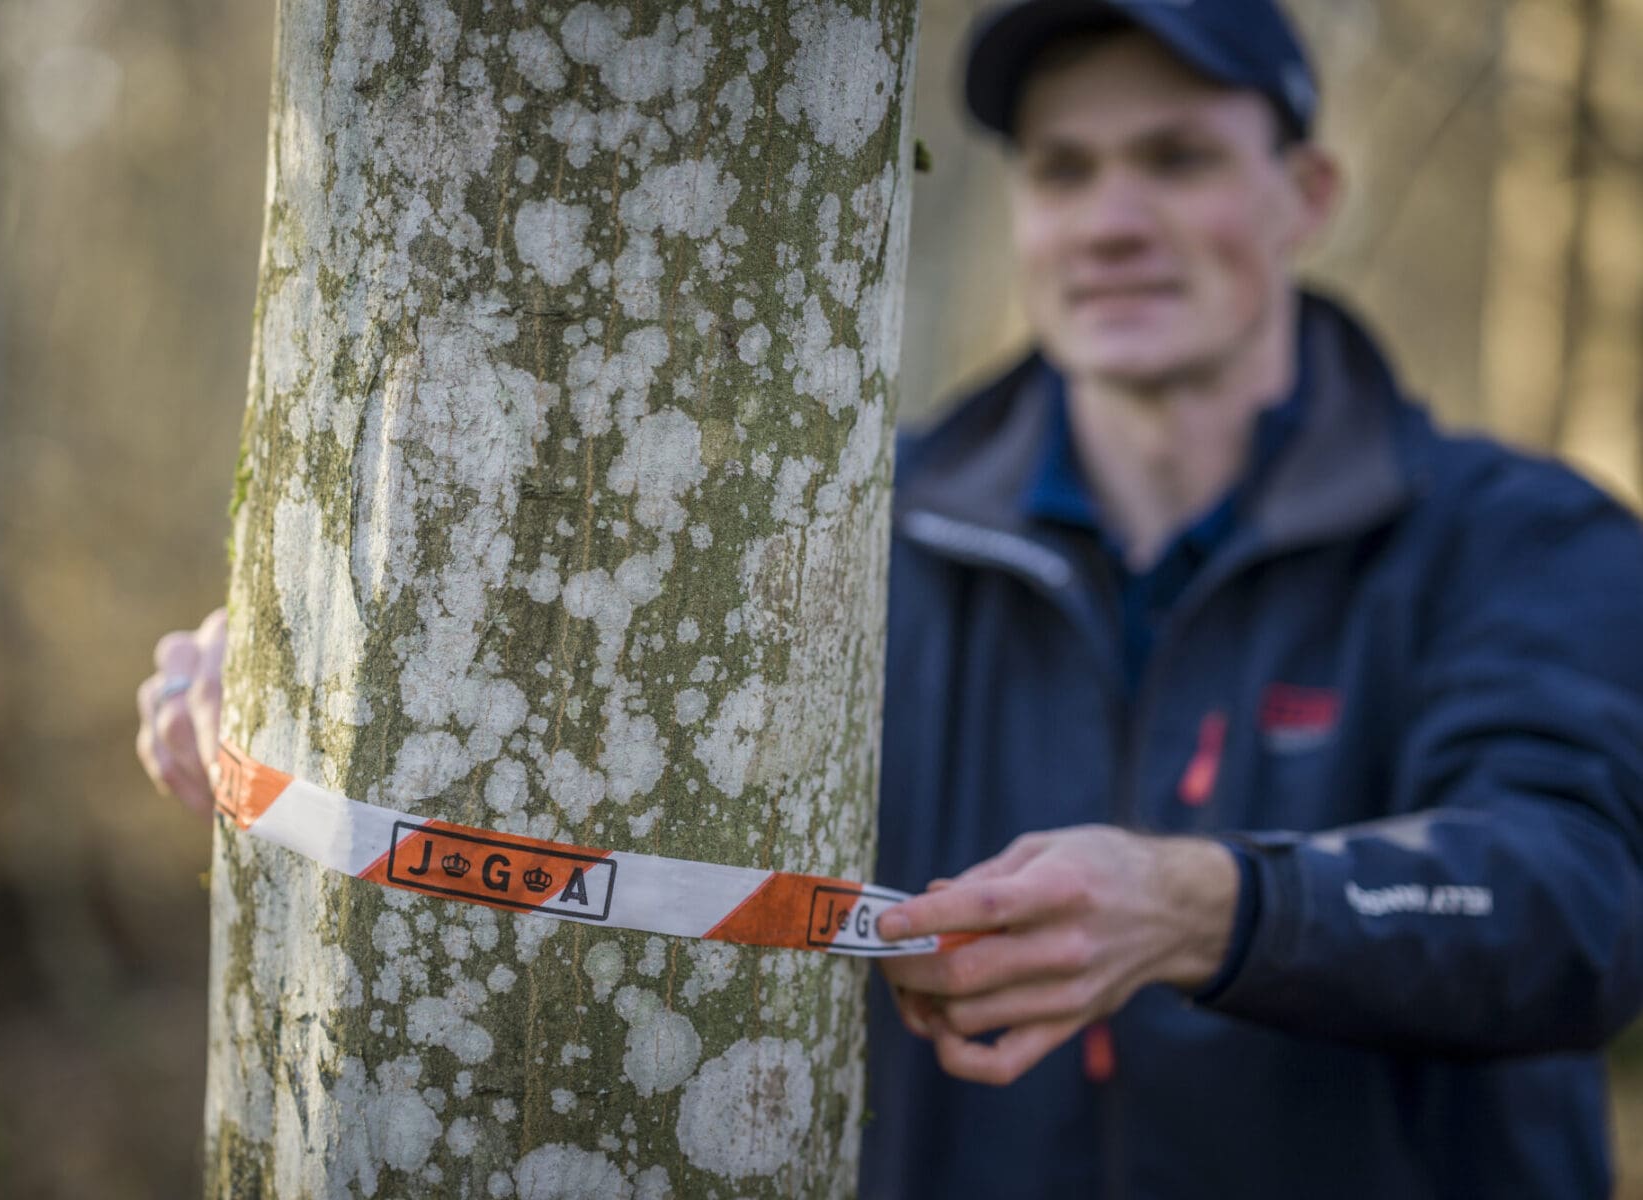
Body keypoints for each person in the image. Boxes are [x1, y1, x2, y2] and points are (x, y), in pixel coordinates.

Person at [139, 1, 1643, 1195]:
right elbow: (569, 776)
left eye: (1177, 158)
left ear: (1306, 193)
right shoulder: (839, 530)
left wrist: (1211, 906)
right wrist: (295, 689)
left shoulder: (1523, 538)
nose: (1113, 219)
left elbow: (1579, 902)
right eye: (1064, 169)